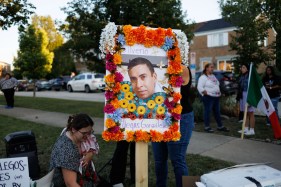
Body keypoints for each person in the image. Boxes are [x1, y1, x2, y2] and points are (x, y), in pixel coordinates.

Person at [152, 65, 194, 187]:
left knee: (178, 160)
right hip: (159, 118)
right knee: (159, 160)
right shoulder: (158, 67)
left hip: (181, 118)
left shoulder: (182, 68)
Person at [49, 113, 98, 187]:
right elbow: (70, 184)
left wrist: (90, 153)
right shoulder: (66, 149)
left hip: (83, 177)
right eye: (84, 133)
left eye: (90, 132)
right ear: (73, 130)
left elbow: (93, 144)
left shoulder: (74, 134)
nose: (88, 136)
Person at [197, 63, 229, 133]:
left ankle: (220, 126)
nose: (212, 69)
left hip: (216, 97)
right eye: (211, 67)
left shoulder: (213, 76)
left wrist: (219, 92)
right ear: (207, 68)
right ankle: (207, 127)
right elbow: (199, 87)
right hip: (208, 97)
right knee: (208, 112)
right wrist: (203, 91)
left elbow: (217, 84)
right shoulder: (203, 77)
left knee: (217, 112)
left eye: (213, 67)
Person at [238, 64, 256, 135]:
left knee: (250, 113)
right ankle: (245, 128)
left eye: (243, 67)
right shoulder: (242, 76)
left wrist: (250, 100)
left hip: (248, 95)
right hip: (242, 94)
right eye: (241, 67)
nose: (241, 69)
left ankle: (252, 130)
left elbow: (252, 88)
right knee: (245, 113)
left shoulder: (250, 77)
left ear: (247, 69)